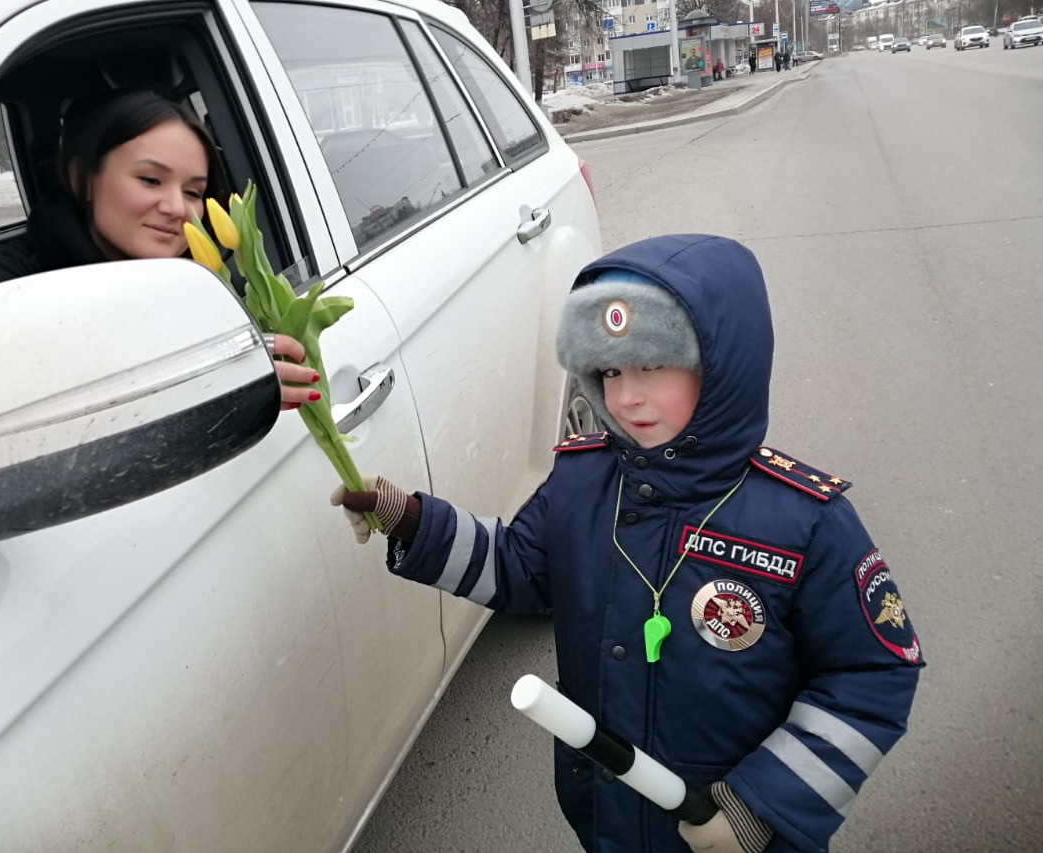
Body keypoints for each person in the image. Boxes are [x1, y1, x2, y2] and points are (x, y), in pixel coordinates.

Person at [331, 234, 923, 853]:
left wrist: (761, 807)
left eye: (652, 367)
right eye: (610, 371)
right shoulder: (582, 481)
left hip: (731, 829)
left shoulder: (806, 522)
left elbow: (872, 675)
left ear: (722, 366)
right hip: (607, 806)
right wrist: (409, 520)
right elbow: (517, 569)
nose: (626, 397)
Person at [0, 90, 318, 409]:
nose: (177, 208)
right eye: (150, 180)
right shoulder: (1, 291)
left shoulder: (207, 281)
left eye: (193, 191)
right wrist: (212, 375)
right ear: (83, 177)